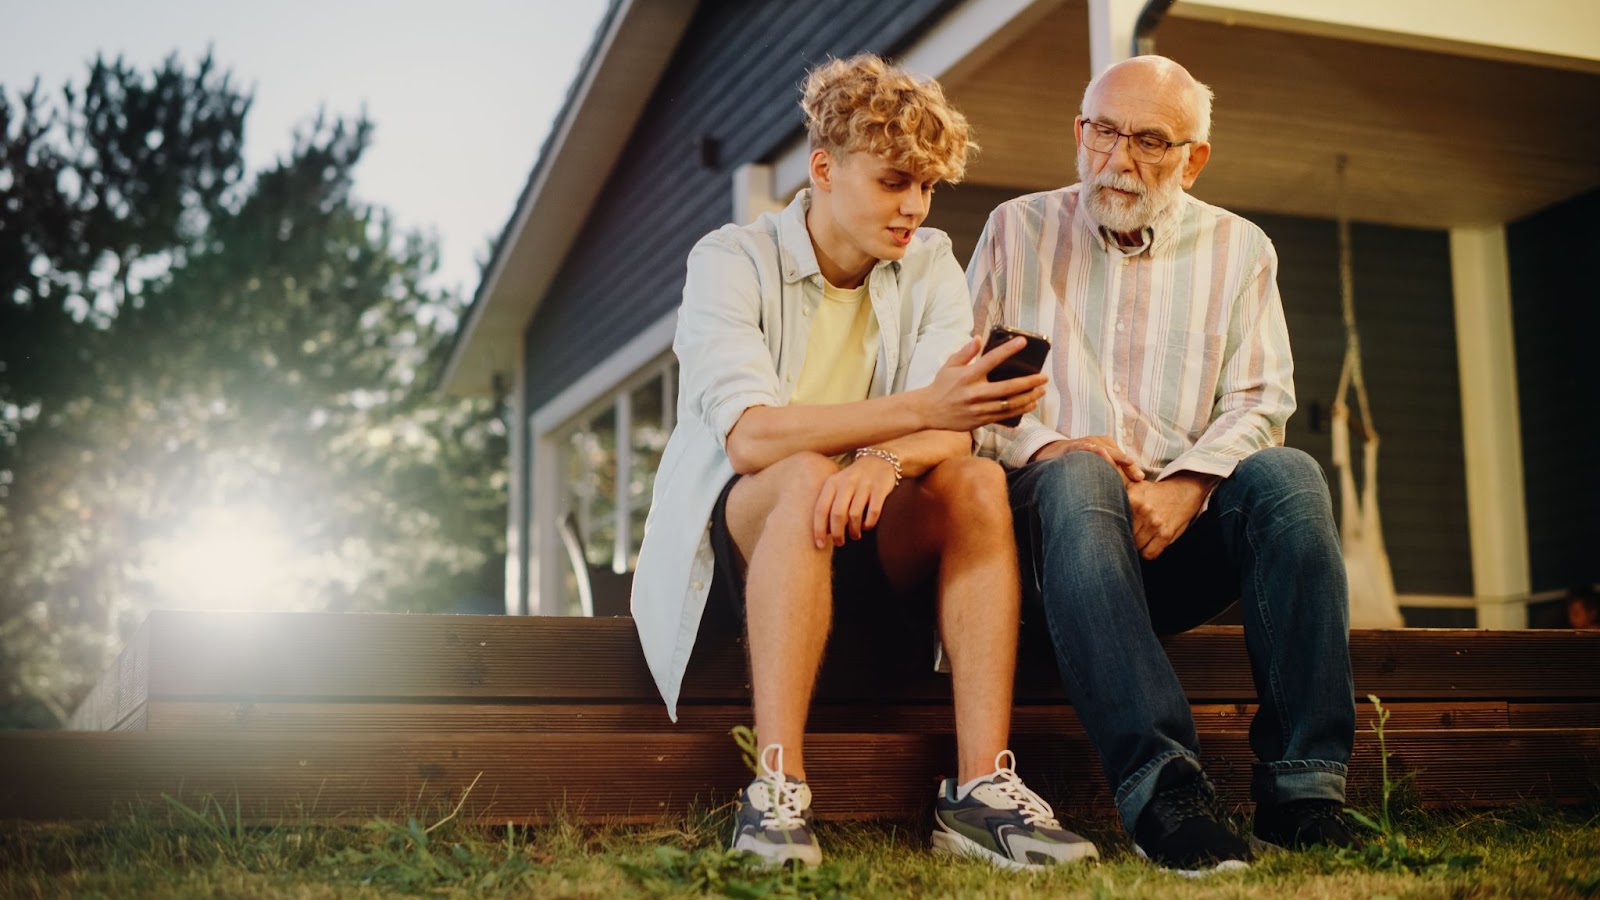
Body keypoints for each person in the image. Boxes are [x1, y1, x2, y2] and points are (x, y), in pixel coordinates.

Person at [630, 54, 1099, 870]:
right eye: (893, 182)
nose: (913, 207)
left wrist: (883, 459)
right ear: (824, 170)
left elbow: (952, 436)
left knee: (980, 479)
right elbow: (752, 438)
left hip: (878, 525)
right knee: (804, 471)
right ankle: (776, 790)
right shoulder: (729, 260)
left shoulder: (928, 262)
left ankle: (980, 792)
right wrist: (918, 415)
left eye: (926, 187)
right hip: (756, 532)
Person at [966, 55, 1358, 875]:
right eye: (1103, 131)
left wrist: (1188, 484)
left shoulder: (1240, 249)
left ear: (1194, 156)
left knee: (1291, 478)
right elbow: (966, 401)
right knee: (1081, 475)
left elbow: (1262, 400)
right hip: (1052, 548)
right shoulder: (1015, 230)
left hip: (1169, 545)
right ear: (1079, 132)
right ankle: (1164, 788)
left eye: (1149, 140)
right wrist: (1056, 445)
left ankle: (1304, 793)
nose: (1118, 158)